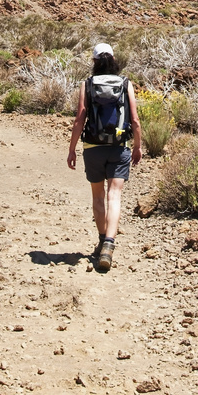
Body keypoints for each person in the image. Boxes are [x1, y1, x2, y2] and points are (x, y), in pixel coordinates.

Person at [67, 43, 142, 271]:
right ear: (114, 59)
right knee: (115, 195)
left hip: (93, 146)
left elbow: (80, 119)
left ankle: (101, 241)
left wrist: (71, 149)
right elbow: (135, 120)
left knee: (98, 196)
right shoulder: (125, 83)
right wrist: (137, 146)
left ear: (94, 61)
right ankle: (110, 244)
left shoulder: (87, 85)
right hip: (119, 145)